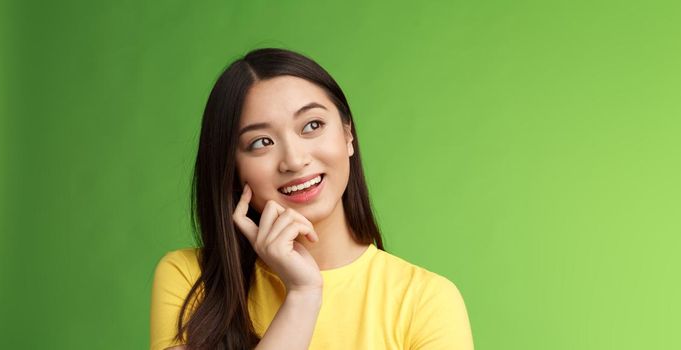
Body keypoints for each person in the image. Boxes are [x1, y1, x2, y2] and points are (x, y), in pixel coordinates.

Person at [150, 48, 473, 350]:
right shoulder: (191, 277)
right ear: (232, 169)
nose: (294, 159)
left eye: (312, 125)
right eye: (261, 142)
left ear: (348, 135)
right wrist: (303, 296)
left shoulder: (425, 299)